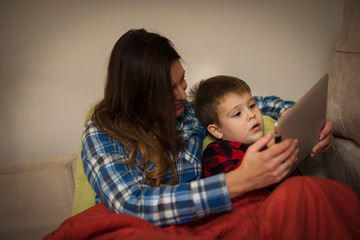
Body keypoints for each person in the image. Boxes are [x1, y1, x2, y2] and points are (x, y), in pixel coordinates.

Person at [81, 28, 342, 230]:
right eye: (168, 90)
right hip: (145, 228)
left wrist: (304, 119)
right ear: (139, 96)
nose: (182, 94)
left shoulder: (187, 113)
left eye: (181, 79)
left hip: (205, 224)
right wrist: (237, 182)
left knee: (311, 197)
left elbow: (247, 105)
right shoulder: (101, 132)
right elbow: (132, 205)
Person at [190, 75, 300, 178]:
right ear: (216, 131)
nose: (252, 115)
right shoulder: (216, 151)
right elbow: (233, 187)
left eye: (252, 106)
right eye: (237, 114)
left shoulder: (268, 139)